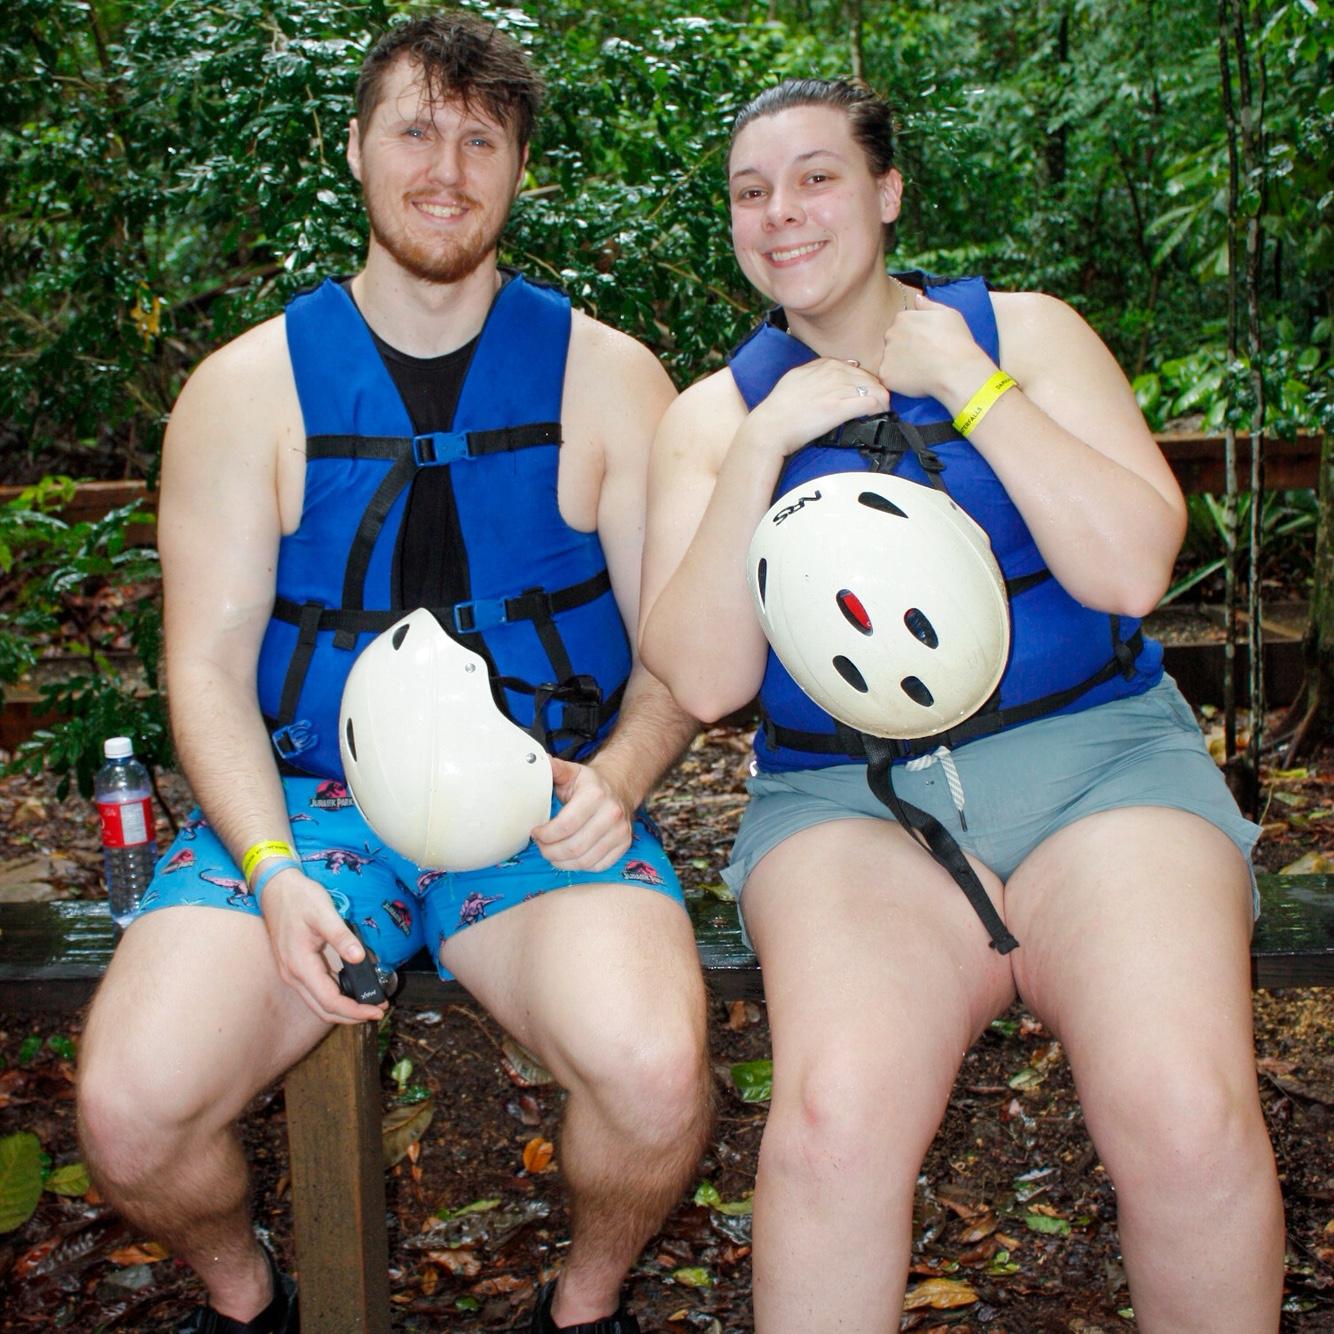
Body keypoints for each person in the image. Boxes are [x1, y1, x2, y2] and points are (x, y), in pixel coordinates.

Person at [76, 14, 712, 1334]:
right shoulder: (245, 390)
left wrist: (626, 773)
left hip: (544, 799)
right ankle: (253, 1303)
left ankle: (581, 1310)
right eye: (417, 127)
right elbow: (200, 662)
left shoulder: (610, 381)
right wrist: (266, 867)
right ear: (358, 147)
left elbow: (678, 652)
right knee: (129, 1115)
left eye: (482, 138)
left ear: (519, 169)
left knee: (656, 1078)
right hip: (308, 810)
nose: (447, 166)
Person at [640, 78, 1283, 1333]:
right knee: (828, 1126)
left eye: (817, 176)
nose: (781, 212)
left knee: (1187, 1110)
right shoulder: (710, 417)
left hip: (1099, 771)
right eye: (750, 190)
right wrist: (763, 447)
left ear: (884, 193)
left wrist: (970, 383)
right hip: (849, 808)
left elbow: (1132, 567)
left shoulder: (1025, 330)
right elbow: (705, 678)